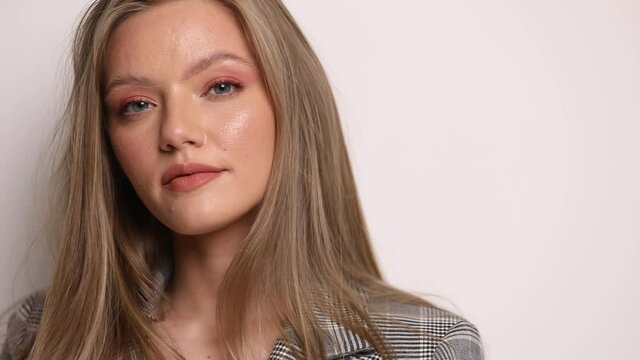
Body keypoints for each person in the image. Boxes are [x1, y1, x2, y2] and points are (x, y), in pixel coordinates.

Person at [0, 0, 484, 359]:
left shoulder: (427, 348)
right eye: (137, 105)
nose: (176, 132)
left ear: (289, 103)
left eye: (221, 86)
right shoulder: (38, 337)